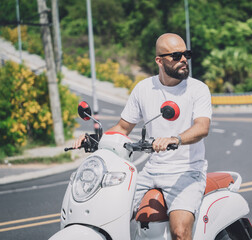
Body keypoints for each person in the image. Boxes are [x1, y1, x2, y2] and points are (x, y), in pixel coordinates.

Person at [74, 33, 212, 240]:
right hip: (151, 171)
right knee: (107, 212)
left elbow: (202, 127)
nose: (183, 59)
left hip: (187, 171)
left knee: (180, 232)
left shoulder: (197, 89)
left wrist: (175, 139)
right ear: (159, 60)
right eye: (176, 55)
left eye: (186, 54)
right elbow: (122, 127)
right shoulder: (144, 88)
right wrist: (94, 140)